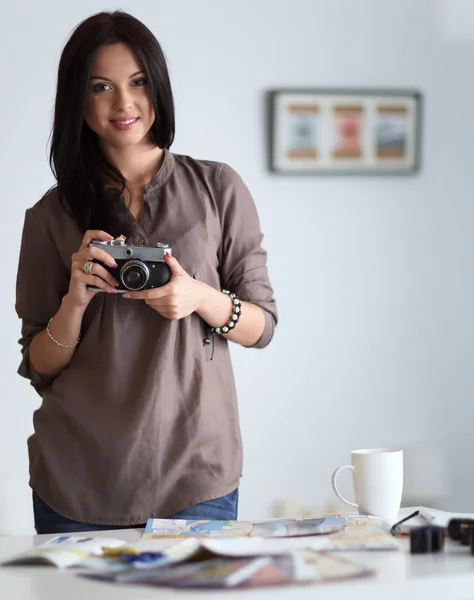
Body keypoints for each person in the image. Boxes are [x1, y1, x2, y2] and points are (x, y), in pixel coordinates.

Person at [15, 10, 277, 534]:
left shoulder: (217, 189)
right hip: (78, 478)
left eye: (137, 82)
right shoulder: (50, 216)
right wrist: (75, 301)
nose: (124, 103)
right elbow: (38, 364)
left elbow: (263, 326)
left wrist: (200, 297)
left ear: (158, 84)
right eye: (101, 86)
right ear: (78, 100)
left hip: (196, 471)